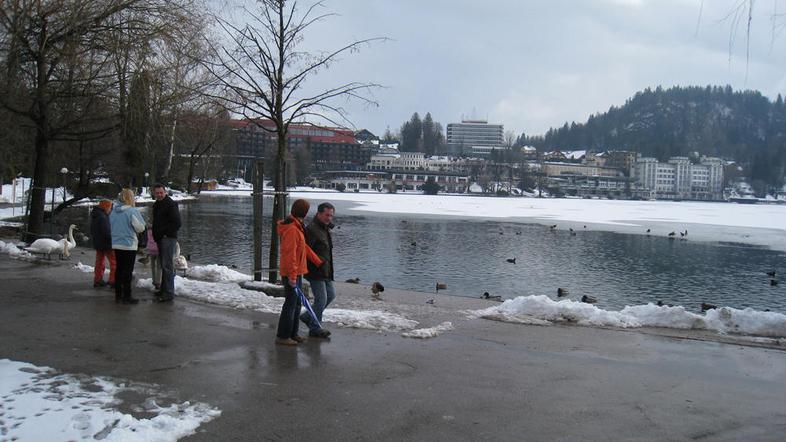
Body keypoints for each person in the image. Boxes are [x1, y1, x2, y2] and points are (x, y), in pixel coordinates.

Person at [276, 199, 323, 346]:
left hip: (297, 271)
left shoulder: (297, 226)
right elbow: (290, 255)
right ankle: (283, 336)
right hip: (291, 272)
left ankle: (293, 333)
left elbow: (303, 248)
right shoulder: (292, 229)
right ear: (304, 212)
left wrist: (317, 261)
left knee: (296, 303)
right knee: (290, 304)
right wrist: (291, 276)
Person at [300, 202, 336, 338]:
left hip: (326, 270)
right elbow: (305, 250)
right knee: (321, 299)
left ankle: (307, 316)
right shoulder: (312, 229)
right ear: (319, 214)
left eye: (331, 215)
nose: (329, 218)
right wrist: (315, 263)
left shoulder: (325, 229)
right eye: (327, 215)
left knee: (331, 295)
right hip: (316, 271)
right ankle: (315, 327)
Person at [109, 189, 146, 304]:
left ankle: (118, 295)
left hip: (116, 243)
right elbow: (140, 228)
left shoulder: (113, 211)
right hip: (129, 244)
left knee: (119, 269)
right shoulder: (132, 211)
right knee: (128, 270)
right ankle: (127, 295)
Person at [152, 183, 181, 303]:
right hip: (160, 239)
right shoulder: (157, 204)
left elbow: (177, 223)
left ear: (165, 192)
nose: (159, 195)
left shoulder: (170, 204)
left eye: (161, 192)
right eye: (157, 193)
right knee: (163, 265)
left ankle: (169, 292)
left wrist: (164, 233)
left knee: (167, 266)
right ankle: (164, 289)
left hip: (168, 238)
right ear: (154, 193)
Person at [90, 200, 116, 289]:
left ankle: (98, 280)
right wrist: (113, 240)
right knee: (114, 262)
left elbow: (92, 230)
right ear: (106, 207)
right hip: (107, 244)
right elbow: (107, 232)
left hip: (98, 243)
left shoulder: (95, 216)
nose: (111, 209)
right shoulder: (103, 217)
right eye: (110, 207)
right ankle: (113, 280)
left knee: (99, 262)